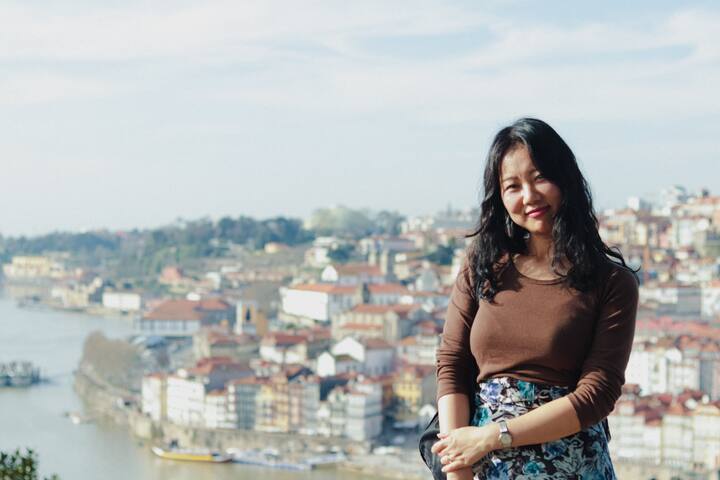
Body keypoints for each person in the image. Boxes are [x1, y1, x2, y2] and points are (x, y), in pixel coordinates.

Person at [429, 118, 638, 479]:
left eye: (539, 178)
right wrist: (457, 465)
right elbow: (452, 363)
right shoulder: (482, 266)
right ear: (500, 197)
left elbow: (597, 394)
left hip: (571, 465)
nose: (528, 196)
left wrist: (492, 437)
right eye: (513, 186)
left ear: (565, 179)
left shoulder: (612, 282)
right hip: (482, 464)